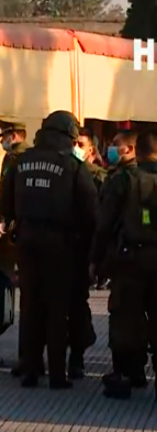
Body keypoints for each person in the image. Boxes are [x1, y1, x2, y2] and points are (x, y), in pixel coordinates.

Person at [0, 110, 97, 389]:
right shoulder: (73, 167)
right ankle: (56, 374)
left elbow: (4, 201)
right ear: (67, 136)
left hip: (26, 241)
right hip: (61, 245)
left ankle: (30, 369)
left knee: (30, 305)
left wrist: (11, 221)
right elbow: (90, 211)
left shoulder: (21, 161)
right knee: (56, 307)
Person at [91, 129, 157, 399]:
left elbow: (104, 224)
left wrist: (95, 260)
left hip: (130, 260)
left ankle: (128, 374)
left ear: (136, 151)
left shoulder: (122, 180)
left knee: (125, 317)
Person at [0, 120, 34, 378]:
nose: (2, 141)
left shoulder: (18, 159)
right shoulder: (22, 157)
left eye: (6, 136)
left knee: (26, 296)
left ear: (17, 135)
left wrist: (2, 219)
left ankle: (28, 358)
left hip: (19, 231)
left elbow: (6, 194)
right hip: (33, 231)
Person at [65, 127, 103, 378]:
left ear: (91, 149)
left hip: (82, 248)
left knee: (77, 304)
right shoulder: (66, 172)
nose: (75, 148)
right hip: (63, 246)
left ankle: (76, 357)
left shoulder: (99, 177)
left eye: (80, 144)